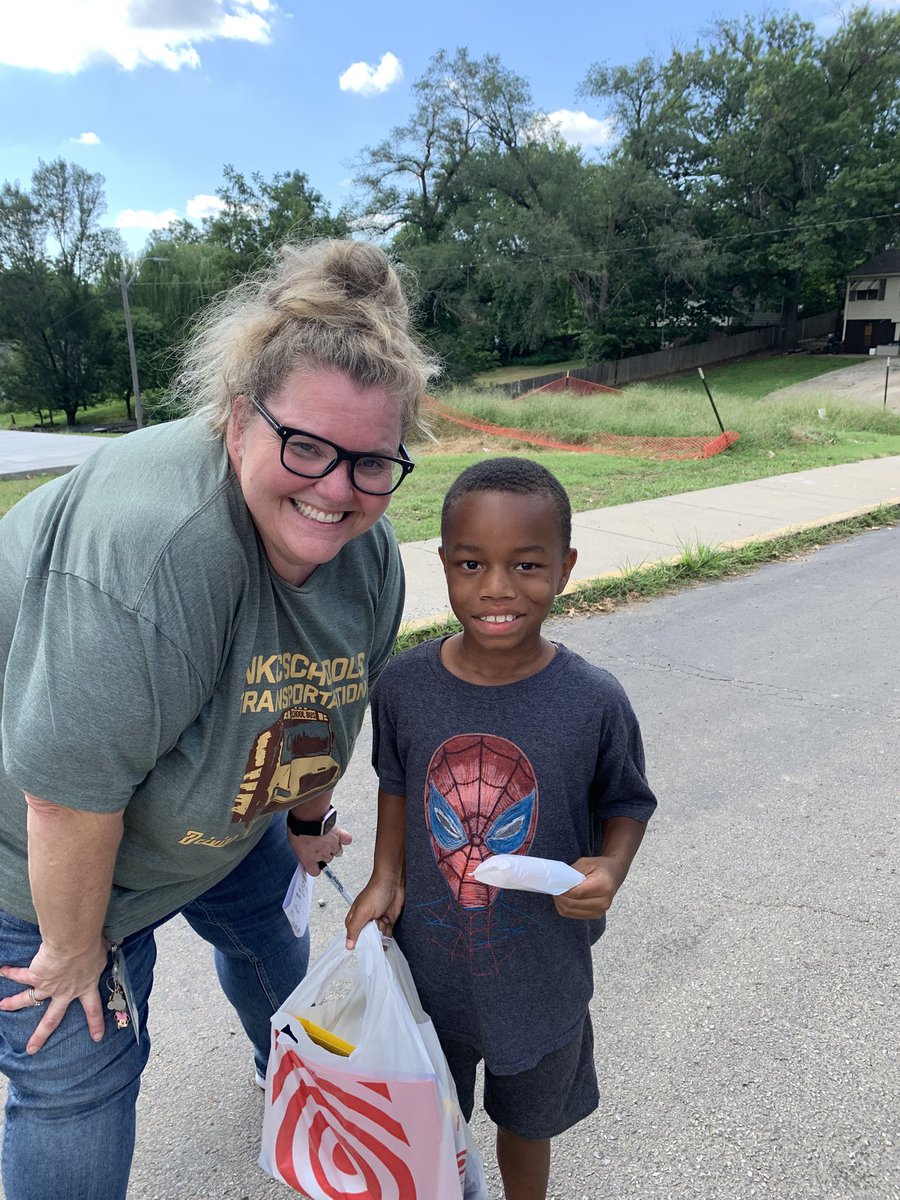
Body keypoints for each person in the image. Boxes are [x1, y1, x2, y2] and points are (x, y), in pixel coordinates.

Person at [0, 239, 436, 1200]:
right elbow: (66, 797)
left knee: (279, 960)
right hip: (39, 851)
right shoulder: (154, 550)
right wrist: (76, 952)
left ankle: (287, 1075)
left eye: (371, 463)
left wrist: (308, 824)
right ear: (240, 420)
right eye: (307, 447)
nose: (335, 490)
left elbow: (324, 701)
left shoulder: (369, 555)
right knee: (78, 1070)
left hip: (213, 814)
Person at [345, 457, 658, 1200]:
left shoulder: (592, 700)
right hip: (424, 967)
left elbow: (629, 802)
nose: (496, 587)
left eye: (526, 564)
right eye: (470, 563)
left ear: (566, 567)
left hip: (541, 971)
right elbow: (395, 781)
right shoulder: (404, 686)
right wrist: (385, 876)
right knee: (427, 1116)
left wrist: (610, 868)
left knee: (527, 1123)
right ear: (444, 564)